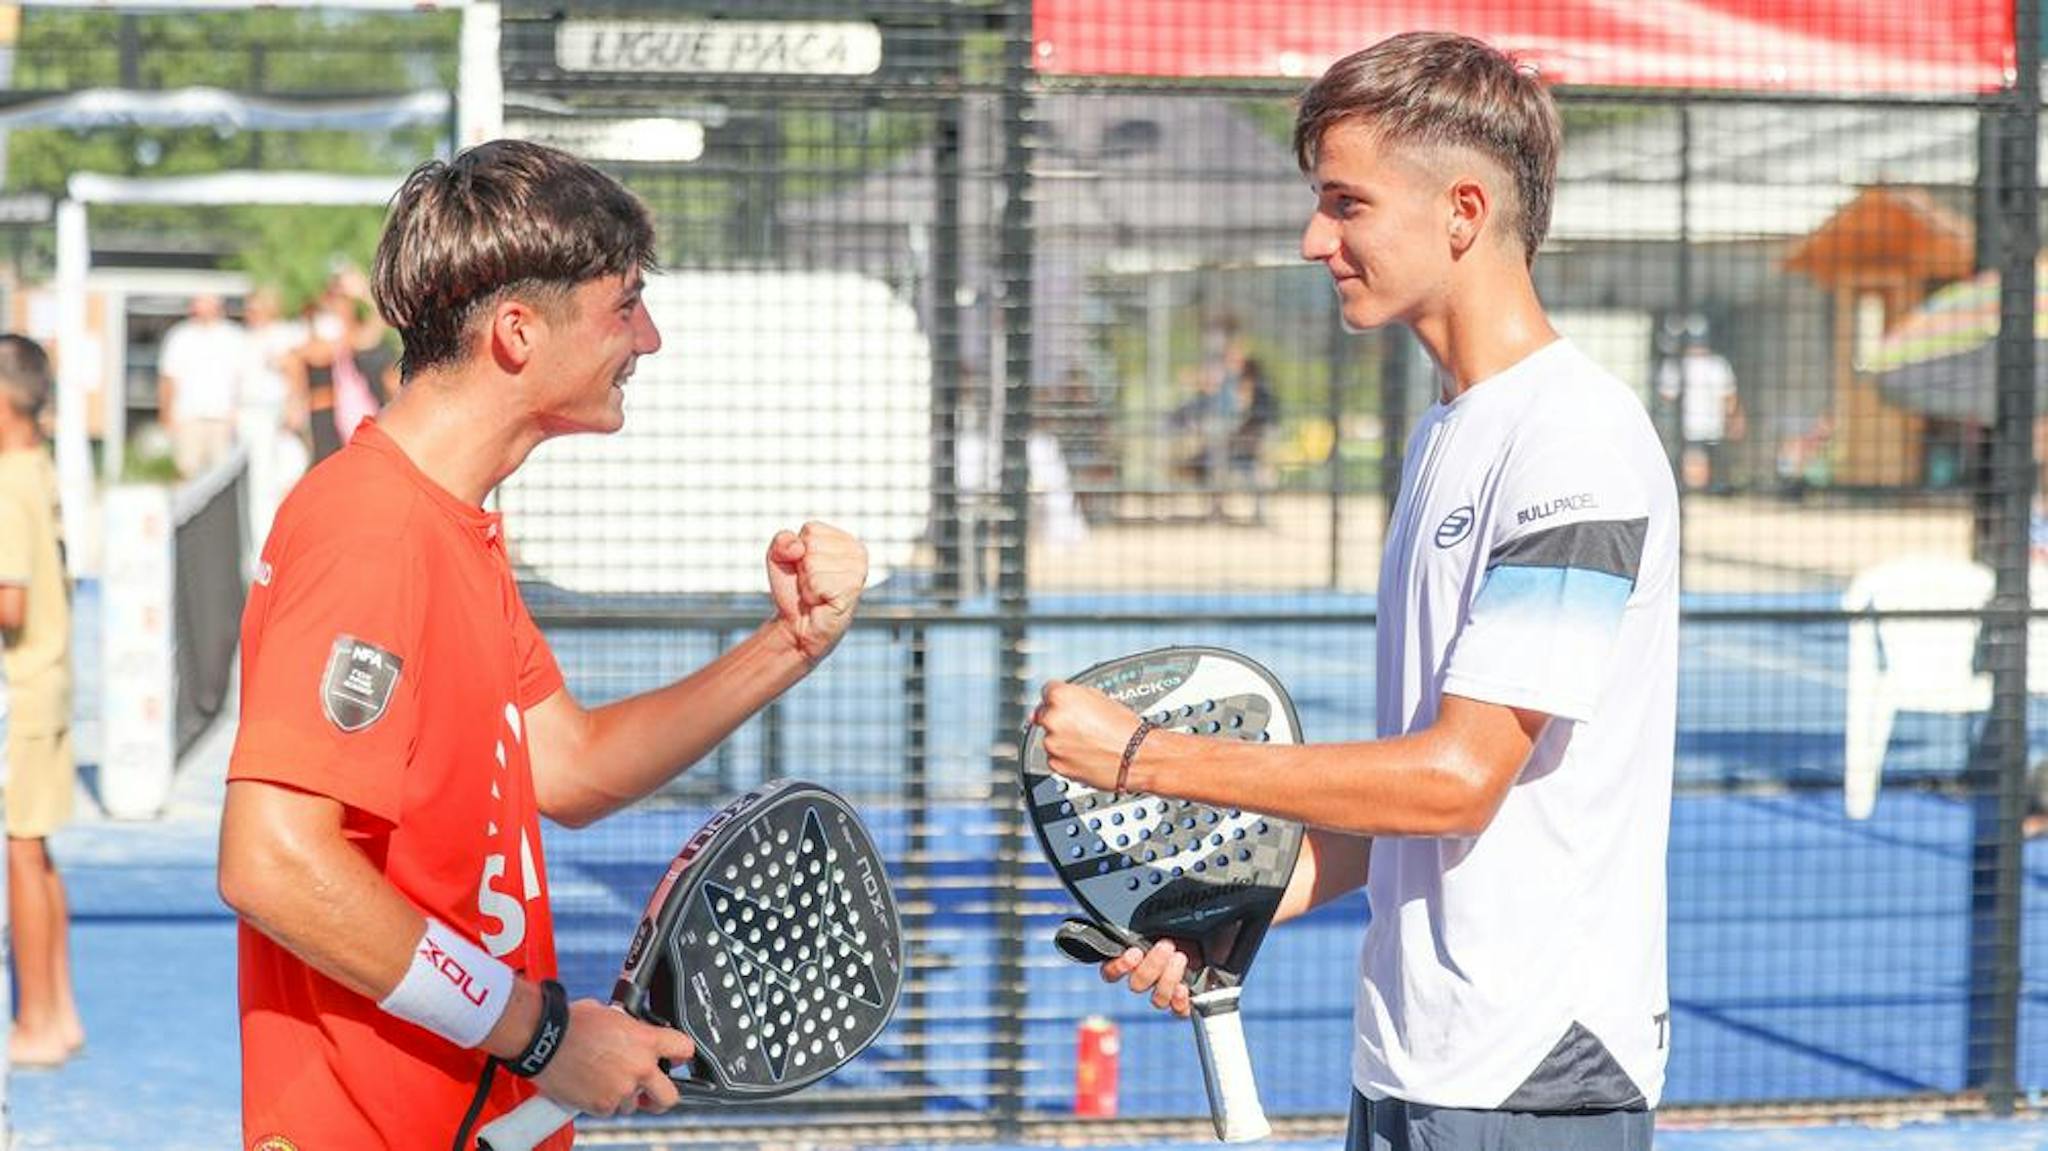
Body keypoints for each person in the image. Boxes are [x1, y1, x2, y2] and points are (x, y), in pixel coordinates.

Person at [1034, 32, 1677, 1151]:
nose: (1312, 239)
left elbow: (1457, 780)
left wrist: (1144, 759)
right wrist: (1242, 906)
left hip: (1529, 1077)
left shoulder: (1571, 442)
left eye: (1345, 204)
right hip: (1419, 1056)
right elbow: (1412, 812)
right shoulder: (1451, 430)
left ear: (1461, 212)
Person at [215, 139, 871, 1149]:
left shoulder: (446, 517)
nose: (646, 337)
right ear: (517, 332)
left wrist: (789, 643)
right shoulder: (373, 527)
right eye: (624, 305)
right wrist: (540, 1032)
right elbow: (269, 858)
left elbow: (563, 765)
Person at [0, 335, 85, 1069]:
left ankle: (35, 1019)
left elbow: (11, 602)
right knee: (40, 851)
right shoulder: (38, 466)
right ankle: (59, 1007)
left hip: (21, 689)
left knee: (21, 852)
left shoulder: (6, 478)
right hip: (52, 678)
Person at [238, 288, 311, 553]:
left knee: (275, 482)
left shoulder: (281, 335)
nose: (251, 313)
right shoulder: (246, 339)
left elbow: (295, 373)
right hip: (250, 416)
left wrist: (294, 406)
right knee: (259, 486)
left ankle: (271, 548)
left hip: (273, 417)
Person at [157, 292, 247, 478]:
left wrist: (238, 410)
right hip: (188, 416)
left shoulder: (234, 337)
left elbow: (242, 378)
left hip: (222, 417)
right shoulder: (180, 336)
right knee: (187, 472)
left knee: (220, 475)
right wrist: (166, 414)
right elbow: (168, 378)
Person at [1655, 328, 1743, 492]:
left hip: (1685, 428)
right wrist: (1733, 421)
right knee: (1704, 468)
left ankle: (1692, 490)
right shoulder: (1718, 364)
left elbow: (1666, 396)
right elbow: (1730, 399)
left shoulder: (1674, 364)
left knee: (1690, 466)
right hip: (1712, 428)